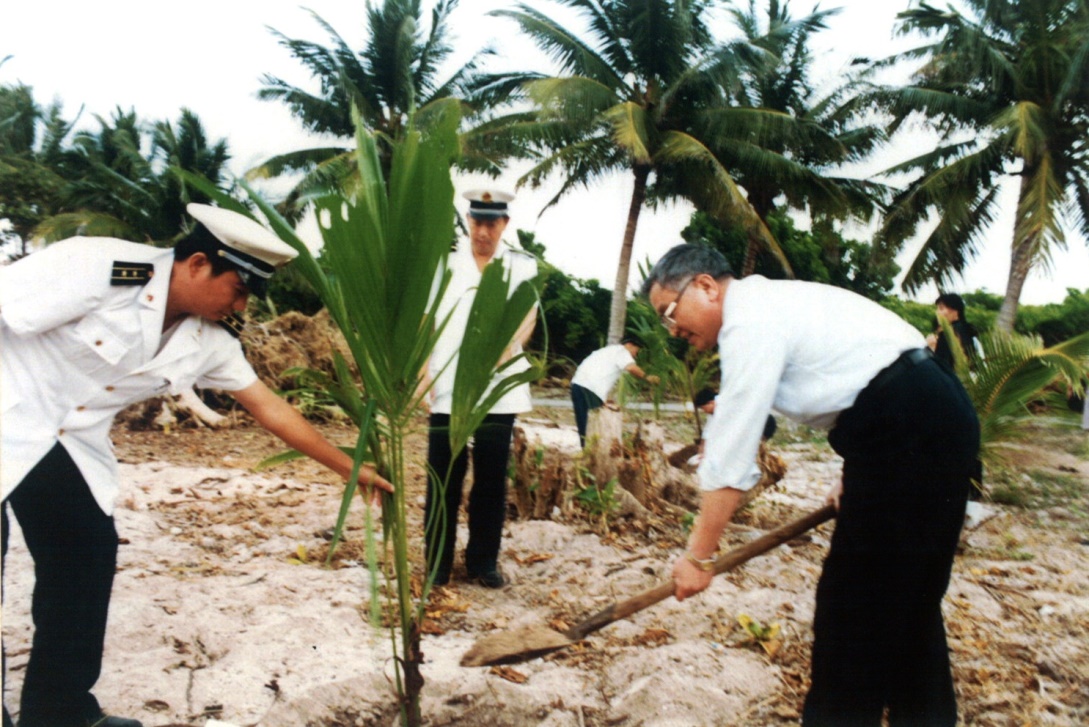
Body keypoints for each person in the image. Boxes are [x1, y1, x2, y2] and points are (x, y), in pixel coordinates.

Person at [0, 204, 393, 727]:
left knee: (85, 554)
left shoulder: (208, 338)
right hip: (7, 404)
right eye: (240, 287)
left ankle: (59, 710)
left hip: (67, 440)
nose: (243, 302)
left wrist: (348, 468)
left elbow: (266, 406)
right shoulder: (99, 266)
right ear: (198, 264)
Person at [642, 244, 980, 726]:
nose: (672, 330)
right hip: (922, 418)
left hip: (910, 430)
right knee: (909, 604)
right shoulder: (771, 304)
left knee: (852, 611)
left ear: (705, 286)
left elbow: (732, 449)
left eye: (669, 313)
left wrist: (699, 556)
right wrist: (856, 468)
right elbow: (869, 370)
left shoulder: (749, 322)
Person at [423, 190, 538, 589]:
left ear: (504, 224)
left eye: (491, 223)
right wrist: (422, 370)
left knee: (491, 478)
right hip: (447, 382)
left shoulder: (519, 265)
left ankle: (482, 562)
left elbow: (528, 315)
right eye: (476, 221)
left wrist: (509, 344)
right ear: (468, 220)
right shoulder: (445, 263)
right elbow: (427, 319)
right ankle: (437, 562)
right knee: (443, 477)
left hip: (498, 387)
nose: (483, 231)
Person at [569, 339, 659, 447]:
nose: (635, 356)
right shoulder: (622, 351)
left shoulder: (607, 351)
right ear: (630, 345)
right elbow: (631, 368)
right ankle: (592, 453)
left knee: (584, 424)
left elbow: (601, 373)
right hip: (590, 388)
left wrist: (602, 399)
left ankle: (586, 451)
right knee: (594, 425)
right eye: (636, 351)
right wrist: (648, 377)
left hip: (577, 384)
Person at [927, 292, 980, 368]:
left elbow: (943, 364)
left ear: (955, 311)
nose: (937, 312)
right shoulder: (968, 330)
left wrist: (931, 348)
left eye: (941, 308)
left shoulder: (949, 334)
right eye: (937, 309)